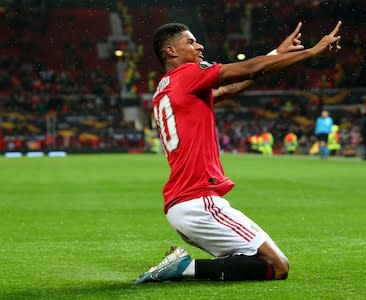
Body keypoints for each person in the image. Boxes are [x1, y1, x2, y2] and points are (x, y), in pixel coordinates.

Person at [135, 20, 342, 283]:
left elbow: (232, 87)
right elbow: (249, 67)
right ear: (170, 51)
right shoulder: (187, 74)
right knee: (278, 266)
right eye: (190, 42)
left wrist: (276, 55)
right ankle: (183, 268)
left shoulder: (167, 88)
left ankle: (188, 267)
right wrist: (312, 52)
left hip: (184, 205)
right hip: (199, 202)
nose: (199, 46)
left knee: (259, 263)